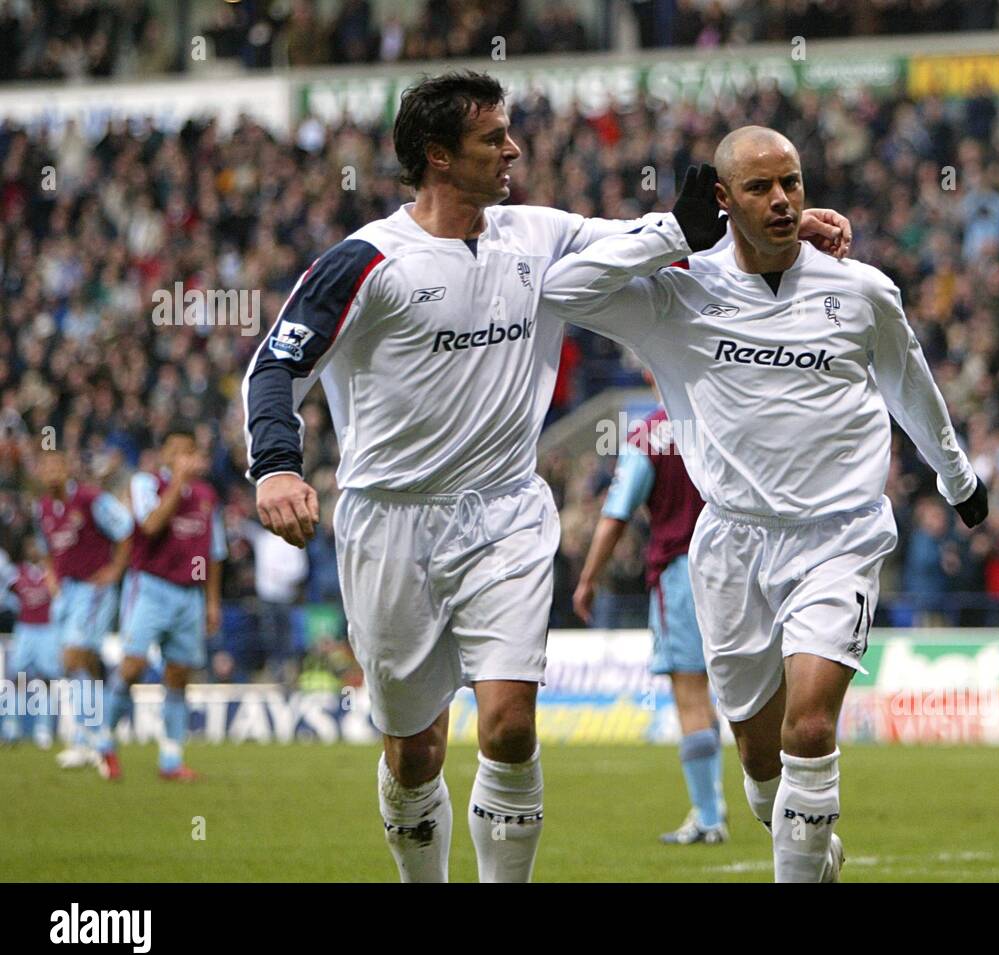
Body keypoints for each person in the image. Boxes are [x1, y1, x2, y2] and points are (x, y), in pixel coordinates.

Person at [242, 73, 850, 884]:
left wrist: (769, 231)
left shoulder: (537, 232)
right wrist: (278, 465)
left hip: (506, 514)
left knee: (509, 724)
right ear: (437, 157)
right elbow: (275, 364)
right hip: (389, 523)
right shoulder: (367, 260)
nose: (513, 149)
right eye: (493, 138)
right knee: (415, 748)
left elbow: (652, 237)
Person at [542, 131, 988, 882]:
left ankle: (799, 859)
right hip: (731, 545)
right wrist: (670, 235)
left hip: (838, 536)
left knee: (809, 726)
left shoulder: (862, 290)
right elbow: (561, 290)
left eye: (792, 182)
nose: (782, 199)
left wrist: (956, 477)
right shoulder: (681, 294)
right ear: (721, 200)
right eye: (759, 188)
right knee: (759, 760)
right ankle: (805, 840)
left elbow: (912, 386)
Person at [573, 380, 725, 845]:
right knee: (740, 694)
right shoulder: (724, 422)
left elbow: (617, 513)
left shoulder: (650, 434)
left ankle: (707, 817)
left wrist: (588, 579)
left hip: (681, 573)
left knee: (691, 695)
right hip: (737, 568)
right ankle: (766, 805)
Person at [96, 425, 226, 781]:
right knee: (133, 666)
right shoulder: (145, 484)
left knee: (179, 674)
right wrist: (176, 485)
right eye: (178, 451)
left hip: (190, 594)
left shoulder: (206, 495)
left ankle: (171, 759)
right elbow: (151, 526)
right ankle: (105, 741)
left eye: (191, 451)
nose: (186, 457)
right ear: (165, 455)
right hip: (150, 587)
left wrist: (212, 601)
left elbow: (214, 553)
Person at [33, 449, 133, 769]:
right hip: (67, 593)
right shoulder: (43, 508)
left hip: (93, 588)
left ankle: (99, 738)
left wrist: (116, 570)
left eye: (56, 465)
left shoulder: (91, 499)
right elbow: (47, 549)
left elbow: (126, 528)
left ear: (67, 468)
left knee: (73, 656)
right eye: (45, 466)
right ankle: (85, 738)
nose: (51, 472)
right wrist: (51, 579)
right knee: (80, 664)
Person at [1, 536, 60, 748]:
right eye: (30, 545)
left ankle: (43, 728)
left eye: (36, 545)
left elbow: (59, 596)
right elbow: (8, 595)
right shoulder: (17, 574)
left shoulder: (52, 573)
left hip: (47, 629)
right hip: (25, 628)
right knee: (16, 679)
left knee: (47, 681)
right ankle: (11, 726)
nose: (33, 549)